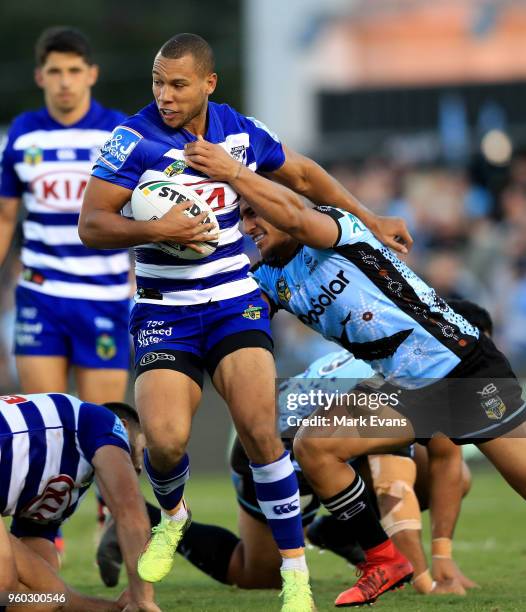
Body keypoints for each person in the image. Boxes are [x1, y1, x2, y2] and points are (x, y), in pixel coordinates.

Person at [79, 32, 411, 611]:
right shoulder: (130, 140)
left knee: (262, 433)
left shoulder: (240, 132)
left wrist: (369, 217)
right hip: (164, 312)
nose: (165, 95)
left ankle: (295, 576)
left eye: (178, 85)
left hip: (234, 302)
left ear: (209, 84)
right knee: (164, 442)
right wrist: (160, 229)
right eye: (158, 82)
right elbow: (92, 224)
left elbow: (304, 179)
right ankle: (174, 519)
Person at [180, 138, 526, 607]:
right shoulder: (265, 278)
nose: (250, 226)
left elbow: (300, 217)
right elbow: (229, 324)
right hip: (404, 389)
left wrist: (235, 172)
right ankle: (383, 560)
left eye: (256, 213)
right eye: (242, 218)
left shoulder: (337, 226)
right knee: (315, 445)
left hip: (461, 366)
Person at [0, 27, 130, 404]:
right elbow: (6, 217)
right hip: (41, 294)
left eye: (74, 71)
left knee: (102, 428)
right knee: (46, 424)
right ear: (41, 76)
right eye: (55, 72)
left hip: (104, 296)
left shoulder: (118, 133)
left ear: (92, 74)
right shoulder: (22, 134)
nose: (65, 83)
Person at [0, 393, 158, 611]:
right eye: (143, 450)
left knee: (47, 598)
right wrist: (142, 598)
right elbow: (130, 511)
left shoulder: (70, 477)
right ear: (123, 426)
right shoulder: (104, 422)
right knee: (4, 587)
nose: (141, 467)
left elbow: (51, 592)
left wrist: (114, 608)